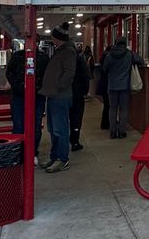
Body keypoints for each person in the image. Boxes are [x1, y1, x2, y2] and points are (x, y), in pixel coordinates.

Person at [39, 26, 77, 172]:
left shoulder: (67, 51)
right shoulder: (61, 50)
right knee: (53, 128)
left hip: (60, 96)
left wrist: (58, 86)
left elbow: (69, 72)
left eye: (53, 36)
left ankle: (62, 159)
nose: (51, 38)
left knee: (60, 129)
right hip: (54, 95)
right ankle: (54, 156)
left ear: (58, 37)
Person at [6, 46, 50, 163]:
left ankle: (30, 152)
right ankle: (21, 153)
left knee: (32, 125)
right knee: (21, 125)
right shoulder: (20, 56)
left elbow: (9, 73)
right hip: (23, 96)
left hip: (33, 96)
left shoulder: (42, 58)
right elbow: (9, 72)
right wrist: (18, 86)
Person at [102, 35, 145, 139]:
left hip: (112, 86)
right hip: (124, 86)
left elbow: (104, 69)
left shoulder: (109, 55)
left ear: (116, 43)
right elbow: (141, 60)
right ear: (125, 43)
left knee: (112, 109)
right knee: (123, 109)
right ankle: (121, 132)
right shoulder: (129, 54)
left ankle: (112, 131)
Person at [70, 46, 91, 152]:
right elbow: (86, 76)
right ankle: (75, 141)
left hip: (65, 93)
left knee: (65, 118)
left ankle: (64, 141)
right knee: (76, 118)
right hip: (77, 94)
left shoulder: (64, 60)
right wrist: (84, 92)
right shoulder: (80, 60)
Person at [96, 46, 111, 130]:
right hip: (107, 85)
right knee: (108, 105)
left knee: (106, 105)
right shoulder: (108, 57)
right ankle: (106, 123)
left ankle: (105, 123)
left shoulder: (104, 57)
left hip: (104, 85)